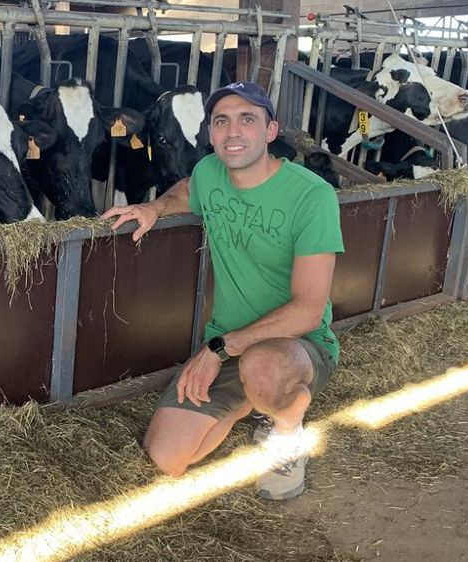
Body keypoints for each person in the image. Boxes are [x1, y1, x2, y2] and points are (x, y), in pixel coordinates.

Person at [102, 81, 344, 500]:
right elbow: (188, 190)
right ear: (211, 133)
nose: (233, 132)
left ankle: (286, 432)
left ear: (271, 131)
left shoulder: (312, 197)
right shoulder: (210, 172)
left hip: (298, 344)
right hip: (231, 340)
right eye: (222, 122)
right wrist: (154, 207)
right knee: (166, 459)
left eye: (247, 119)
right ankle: (254, 397)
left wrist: (216, 351)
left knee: (264, 367)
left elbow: (308, 309)